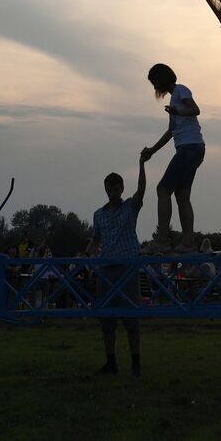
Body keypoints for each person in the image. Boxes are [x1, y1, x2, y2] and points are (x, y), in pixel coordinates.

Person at [85, 148, 148, 376]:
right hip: (105, 270)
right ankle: (111, 363)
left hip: (128, 268)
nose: (113, 191)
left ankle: (136, 363)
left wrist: (142, 164)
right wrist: (86, 255)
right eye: (109, 188)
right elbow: (96, 239)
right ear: (105, 190)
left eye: (116, 188)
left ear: (122, 189)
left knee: (132, 318)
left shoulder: (131, 206)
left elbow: (141, 190)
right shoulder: (98, 214)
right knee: (106, 319)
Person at [143, 63, 205, 252]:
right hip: (194, 149)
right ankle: (188, 243)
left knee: (163, 189)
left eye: (155, 82)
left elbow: (195, 109)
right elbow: (171, 132)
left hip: (188, 149)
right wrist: (152, 150)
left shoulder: (180, 90)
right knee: (182, 195)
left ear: (162, 79)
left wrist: (178, 111)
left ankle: (162, 240)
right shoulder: (174, 102)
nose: (154, 87)